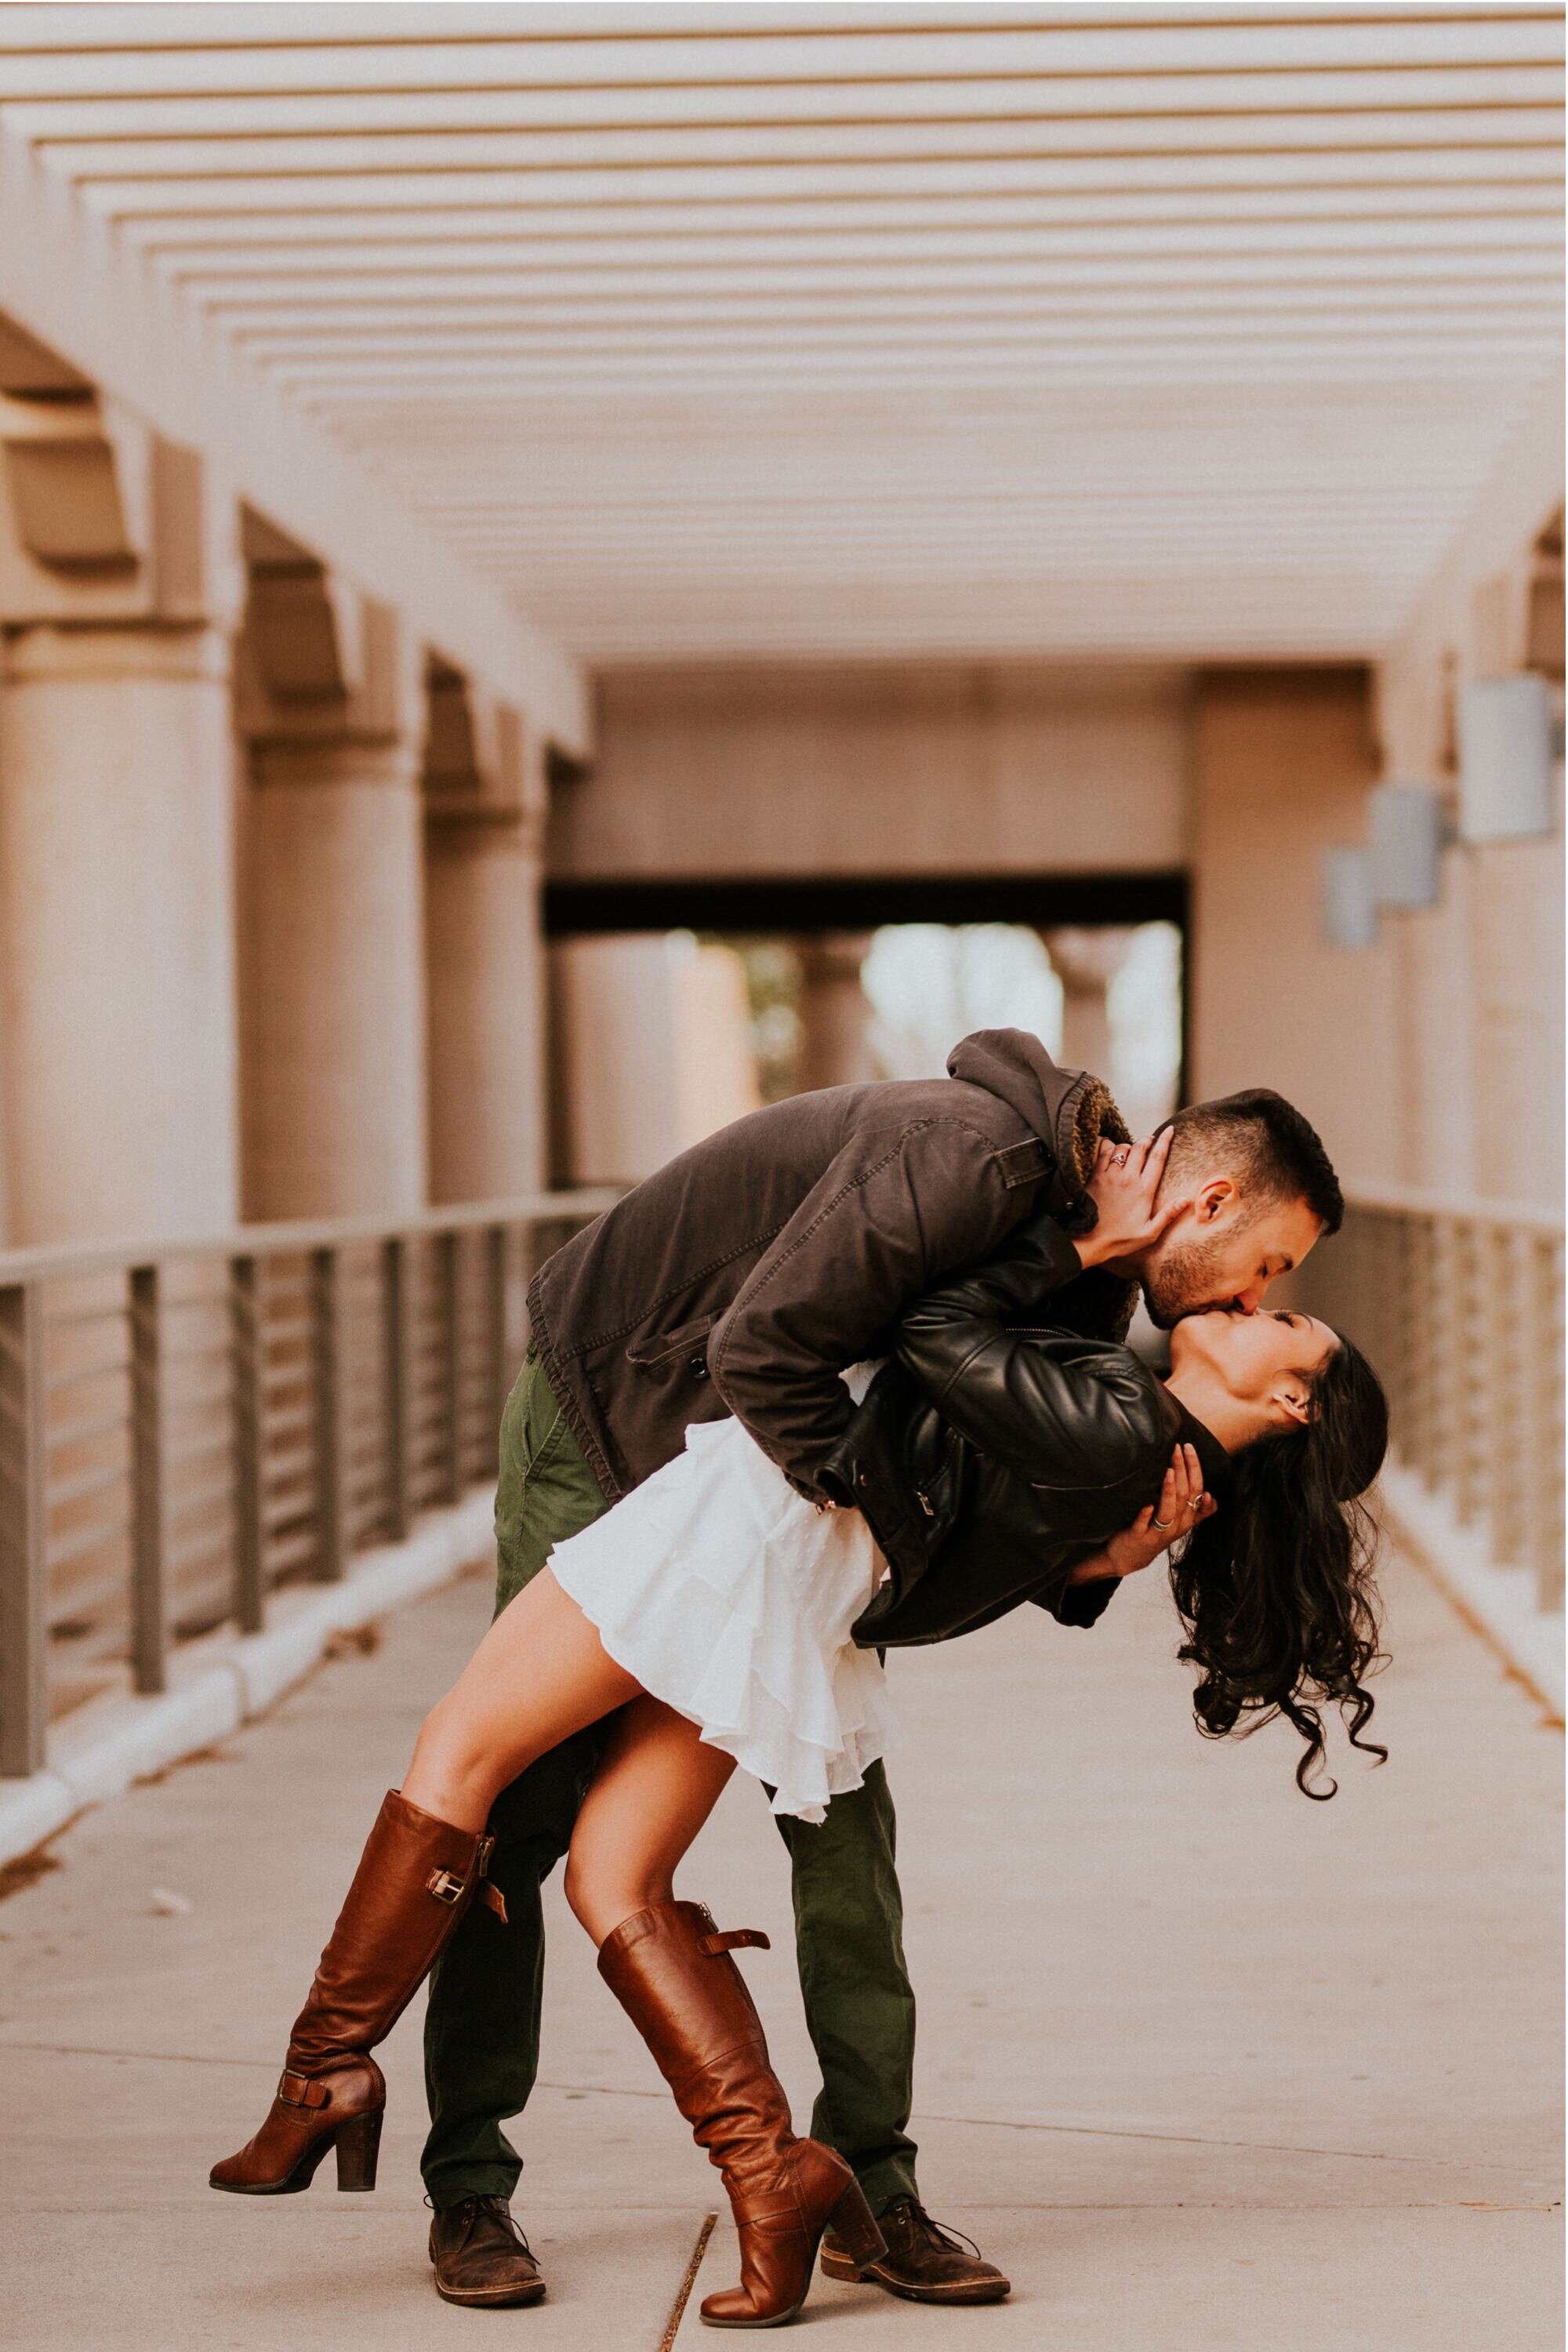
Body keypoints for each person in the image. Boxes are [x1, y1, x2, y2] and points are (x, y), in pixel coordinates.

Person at [209, 1119, 1388, 2332]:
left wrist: (1075, 1265)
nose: (1263, 1295)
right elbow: (956, 1523)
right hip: (737, 1521)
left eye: (1281, 1311)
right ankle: (761, 2177)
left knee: (465, 1762)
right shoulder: (1009, 1196)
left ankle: (325, 2073)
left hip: (748, 1522)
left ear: (1291, 1402)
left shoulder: (1120, 1384)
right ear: (1217, 1196)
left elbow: (922, 1355)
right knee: (613, 1874)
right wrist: (1086, 1556)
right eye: (1275, 1275)